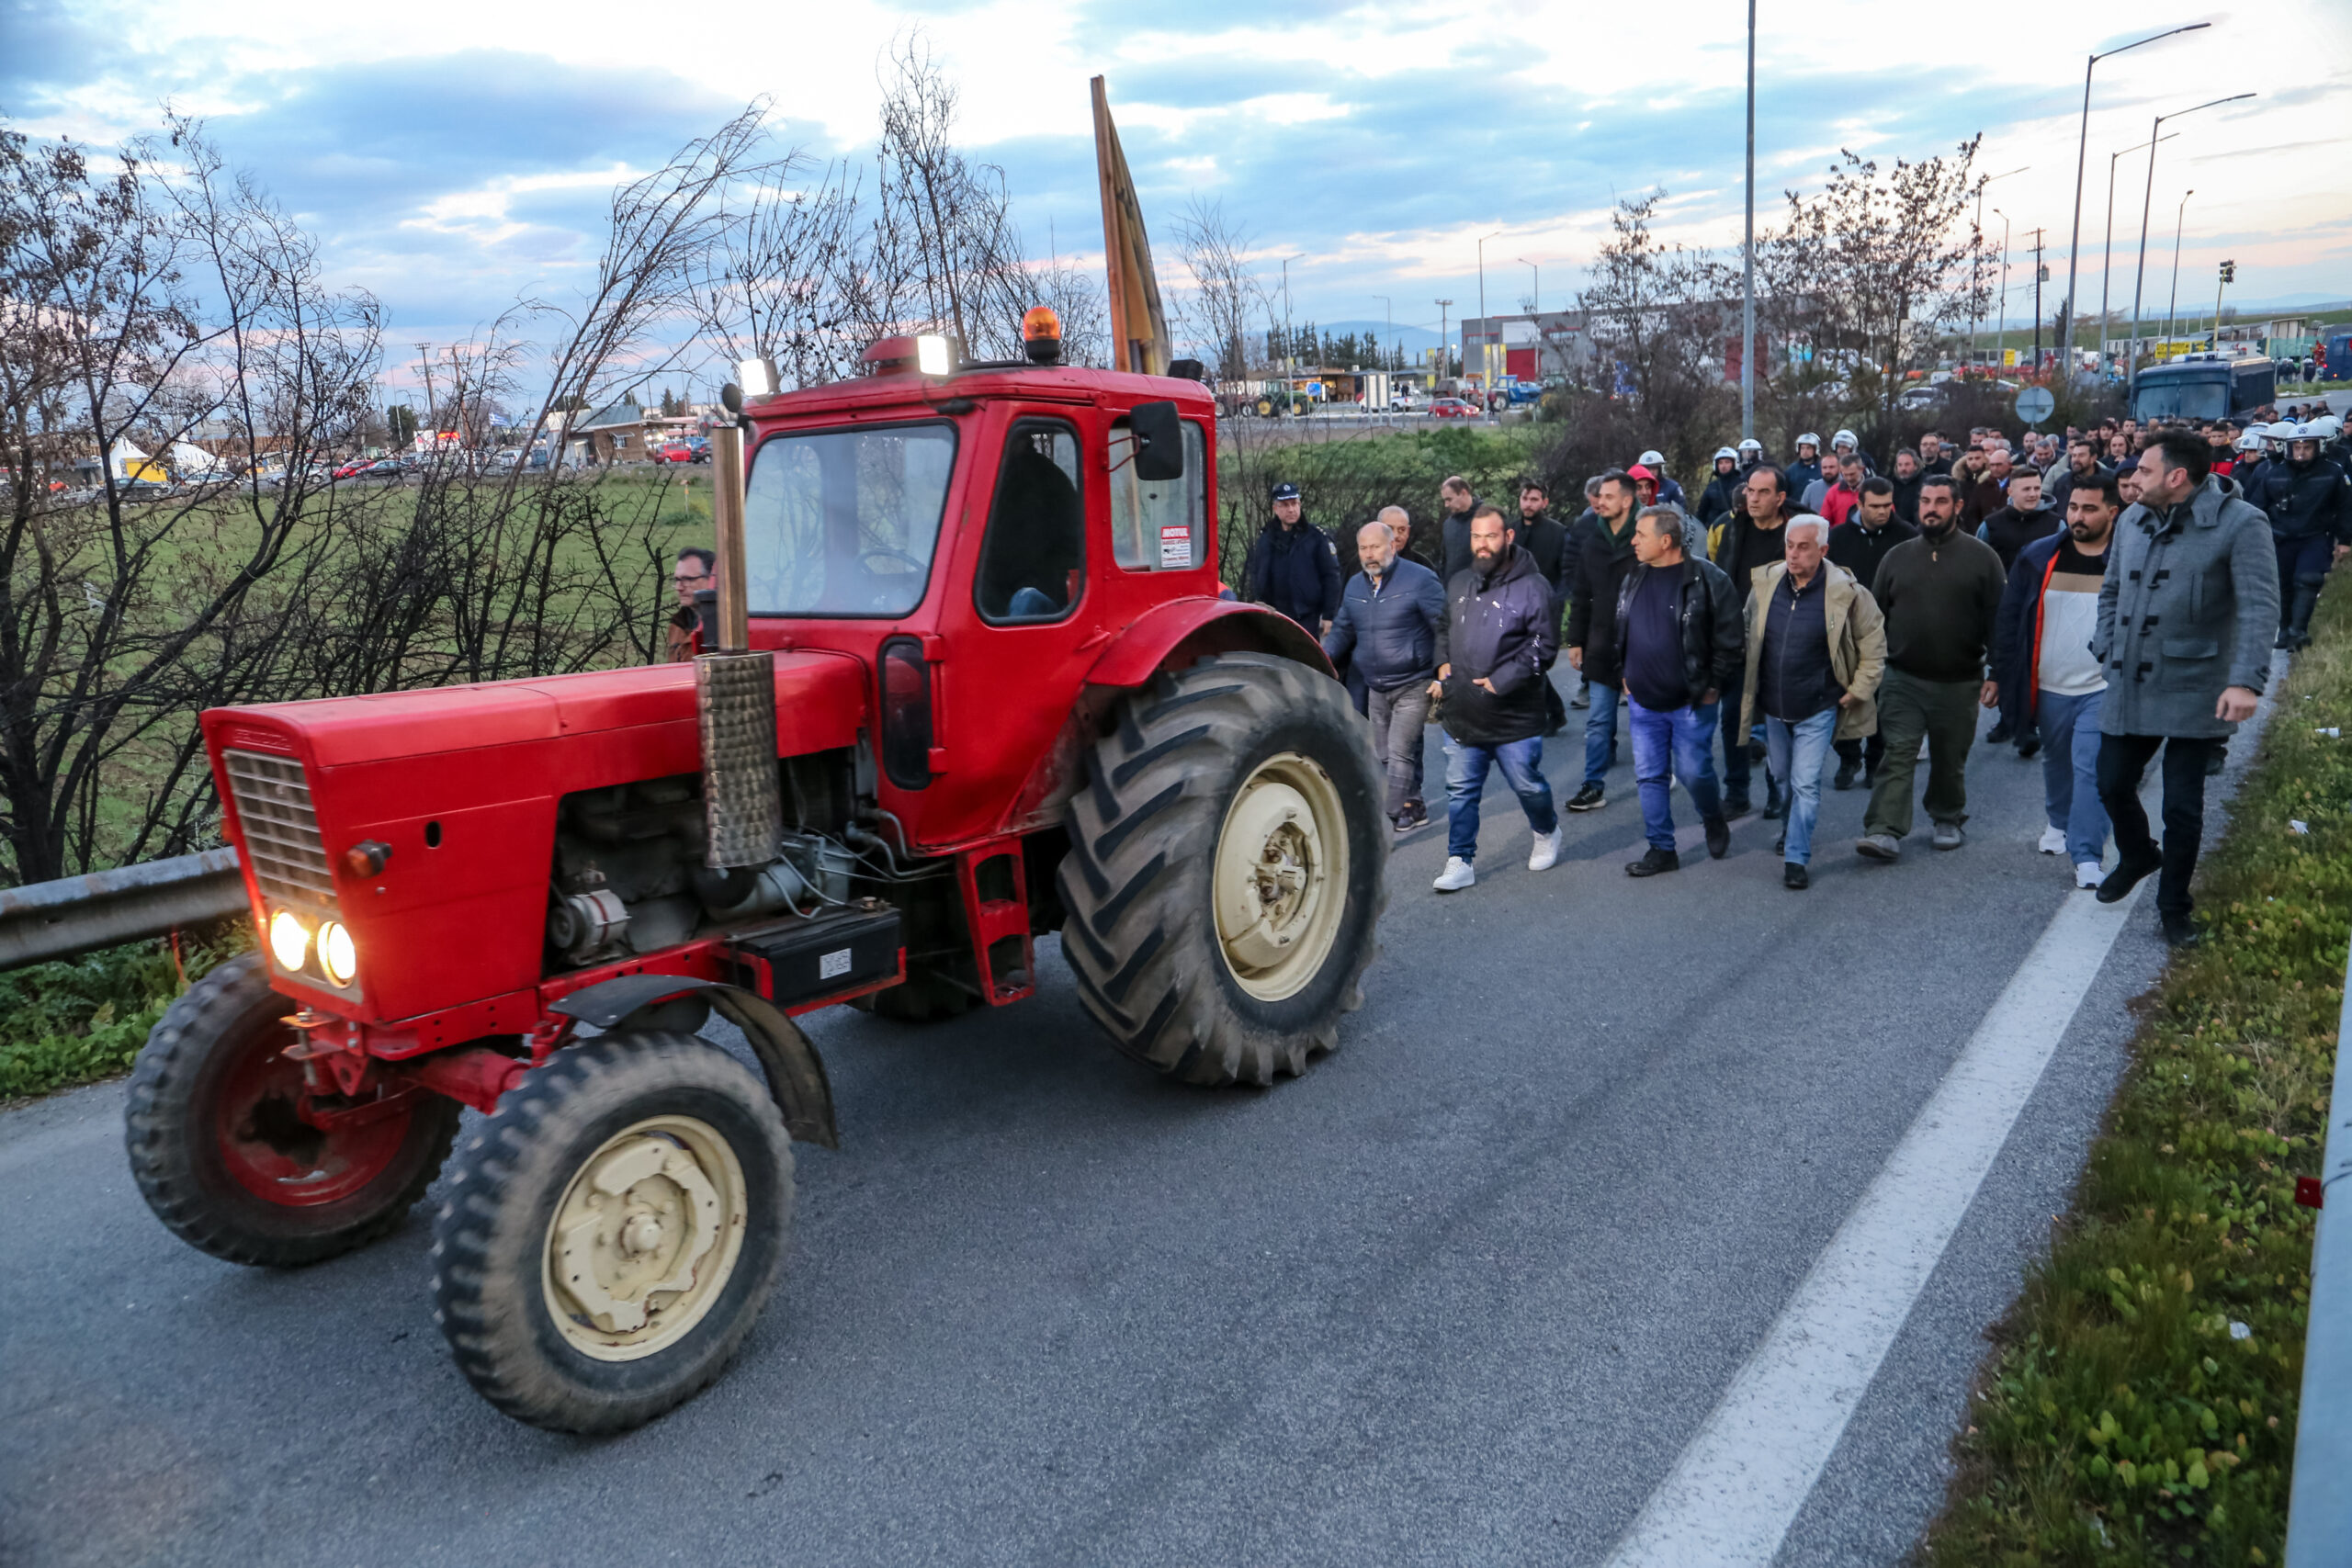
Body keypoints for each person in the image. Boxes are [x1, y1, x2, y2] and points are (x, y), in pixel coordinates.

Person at [2093, 434, 2280, 944]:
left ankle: (2174, 907)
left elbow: (2261, 608)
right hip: (2130, 679)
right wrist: (2105, 647)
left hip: (2198, 683)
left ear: (2177, 478)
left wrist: (2245, 681)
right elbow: (2111, 591)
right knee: (2110, 782)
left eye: (2145, 472)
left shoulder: (2243, 524)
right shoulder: (2131, 519)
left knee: (2181, 806)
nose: (2133, 481)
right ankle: (2138, 855)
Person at [1854, 474, 2007, 860]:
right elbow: (1875, 618)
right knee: (1899, 752)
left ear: (1957, 506)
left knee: (1949, 757)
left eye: (1940, 501)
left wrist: (1999, 673)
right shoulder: (1898, 557)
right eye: (1925, 501)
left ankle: (1947, 816)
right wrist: (1868, 670)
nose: (1931, 509)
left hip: (1959, 681)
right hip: (1903, 677)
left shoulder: (1982, 558)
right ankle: (1884, 829)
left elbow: (1998, 622)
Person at [1739, 514, 1886, 889]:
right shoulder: (1765, 584)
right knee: (1782, 778)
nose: (1794, 553)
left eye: (1804, 547)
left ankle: (1796, 857)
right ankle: (1791, 830)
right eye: (1790, 545)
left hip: (1818, 707)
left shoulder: (1848, 593)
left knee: (1806, 784)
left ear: (1823, 550)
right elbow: (1746, 633)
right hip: (1773, 707)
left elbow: (1873, 644)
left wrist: (1859, 689)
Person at [1993, 472, 2120, 891]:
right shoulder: (2036, 556)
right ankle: (2059, 821)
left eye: (2089, 508)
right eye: (2072, 508)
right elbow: (2010, 620)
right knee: (2056, 759)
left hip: (2100, 687)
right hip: (2047, 683)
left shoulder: (2125, 561)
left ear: (2112, 512)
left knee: (2090, 768)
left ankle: (2087, 855)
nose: (2078, 517)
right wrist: (1998, 673)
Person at [1430, 505, 1562, 891]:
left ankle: (1546, 831)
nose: (1482, 545)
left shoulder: (1534, 587)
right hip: (1462, 713)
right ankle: (1460, 859)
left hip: (1513, 716)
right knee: (1461, 791)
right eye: (1475, 537)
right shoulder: (1459, 582)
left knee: (1528, 786)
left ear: (1508, 537)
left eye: (1490, 536)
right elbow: (1442, 626)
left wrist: (1499, 681)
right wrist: (1442, 665)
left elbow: (1545, 645)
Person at [1611, 505, 1742, 877]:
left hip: (1692, 700)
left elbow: (1731, 640)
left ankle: (1712, 816)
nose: (1633, 540)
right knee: (1650, 775)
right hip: (1643, 700)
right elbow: (1622, 625)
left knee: (1693, 771)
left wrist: (1714, 684)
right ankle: (1661, 849)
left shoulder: (1709, 579)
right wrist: (1625, 671)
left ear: (1666, 541)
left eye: (1641, 535)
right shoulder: (1633, 577)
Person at [1326, 519, 1446, 832]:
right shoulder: (1354, 586)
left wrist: (1444, 670)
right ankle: (1413, 804)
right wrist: (1320, 660)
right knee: (1383, 755)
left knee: (1400, 751)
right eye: (1363, 548)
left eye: (1376, 546)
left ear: (1392, 546)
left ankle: (1388, 818)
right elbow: (1341, 631)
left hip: (1413, 681)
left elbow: (1444, 627)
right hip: (1376, 686)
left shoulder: (1420, 579)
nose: (1369, 554)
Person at [1826, 479, 1917, 789]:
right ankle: (1848, 756)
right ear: (1860, 504)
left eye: (1886, 505)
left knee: (1883, 699)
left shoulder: (1906, 536)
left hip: (1890, 629)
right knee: (1844, 696)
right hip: (1846, 631)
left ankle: (1875, 759)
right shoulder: (1837, 537)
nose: (1882, 511)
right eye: (1875, 506)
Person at [1712, 464, 1792, 817]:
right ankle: (1737, 791)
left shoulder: (1793, 533)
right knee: (1732, 718)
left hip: (1781, 639)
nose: (1753, 498)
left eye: (1762, 493)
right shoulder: (1734, 529)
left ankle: (1779, 790)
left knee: (1777, 720)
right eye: (1750, 491)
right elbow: (1724, 578)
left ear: (1780, 498)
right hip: (1737, 639)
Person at [1563, 470, 1645, 811]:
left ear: (1627, 500)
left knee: (1644, 720)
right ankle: (1592, 785)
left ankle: (1656, 773)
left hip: (1642, 647)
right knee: (1598, 721)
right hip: (1600, 644)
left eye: (1608, 497)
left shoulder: (1647, 533)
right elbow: (1582, 593)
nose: (1600, 502)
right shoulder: (1591, 538)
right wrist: (1575, 640)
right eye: (1598, 497)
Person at [2246, 424, 2351, 649]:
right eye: (2297, 447)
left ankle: (2298, 631)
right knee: (2282, 585)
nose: (2302, 452)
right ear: (2289, 448)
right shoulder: (2273, 473)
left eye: (2307, 447)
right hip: (2280, 538)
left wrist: (2344, 541)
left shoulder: (2332, 472)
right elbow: (2256, 507)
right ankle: (2284, 630)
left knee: (2308, 580)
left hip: (2315, 536)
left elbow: (2345, 508)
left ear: (2319, 447)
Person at [1515, 479, 1575, 736]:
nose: (1528, 504)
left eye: (1534, 500)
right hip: (1513, 607)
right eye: (1525, 499)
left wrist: (1556, 601)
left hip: (1545, 607)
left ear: (1545, 503)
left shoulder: (1558, 532)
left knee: (1535, 659)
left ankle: (1547, 713)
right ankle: (1553, 711)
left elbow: (1567, 572)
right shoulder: (1510, 530)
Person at [1243, 481, 1341, 634]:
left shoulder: (1315, 537)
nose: (1291, 510)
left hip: (1309, 617)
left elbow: (1331, 576)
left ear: (1300, 504)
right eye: (1285, 505)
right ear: (1275, 509)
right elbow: (1257, 573)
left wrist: (1329, 615)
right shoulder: (1267, 538)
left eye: (1294, 504)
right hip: (1276, 616)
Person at [664, 547, 715, 661]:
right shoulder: (678, 624)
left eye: (687, 579)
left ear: (711, 580)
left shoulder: (727, 628)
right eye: (677, 580)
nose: (679, 587)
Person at [2045, 436, 2113, 514]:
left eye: (2081, 455)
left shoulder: (2110, 479)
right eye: (2074, 456)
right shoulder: (2062, 482)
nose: (2076, 459)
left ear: (2093, 458)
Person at [1437, 476, 1481, 584]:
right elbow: (1444, 560)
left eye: (1449, 499)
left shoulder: (1487, 519)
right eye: (1445, 500)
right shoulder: (1448, 524)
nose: (1446, 505)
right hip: (1452, 591)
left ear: (1463, 493)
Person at [1698, 446, 1743, 525]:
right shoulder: (1711, 486)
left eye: (1727, 462)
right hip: (1714, 530)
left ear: (1735, 463)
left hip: (1737, 529)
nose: (1723, 466)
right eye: (1720, 463)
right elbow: (1702, 512)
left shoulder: (1742, 484)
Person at [1889, 447, 1924, 525]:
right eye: (1900, 465)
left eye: (1907, 464)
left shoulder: (1924, 483)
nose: (1903, 468)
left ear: (1915, 466)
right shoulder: (1890, 484)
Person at [1786, 434, 1825, 498]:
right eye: (1802, 448)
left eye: (1808, 448)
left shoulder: (1823, 469)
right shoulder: (1791, 470)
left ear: (1815, 450)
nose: (1805, 451)